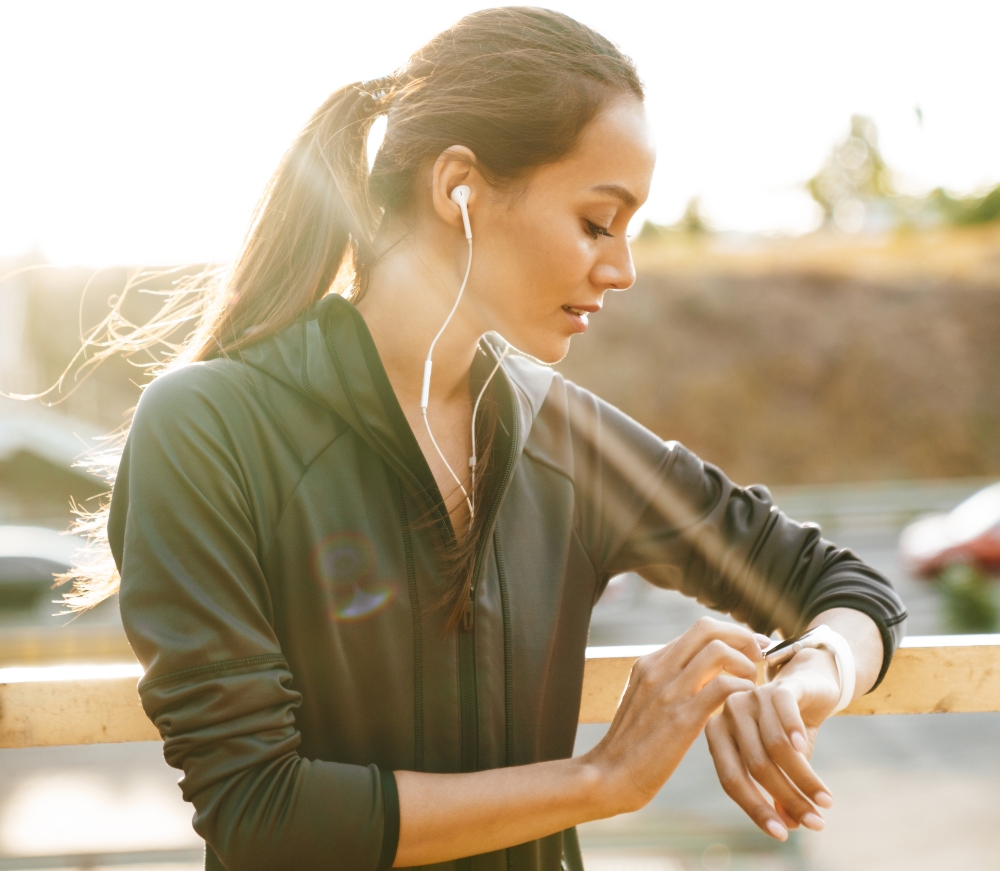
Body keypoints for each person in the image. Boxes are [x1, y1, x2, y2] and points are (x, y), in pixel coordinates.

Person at [69, 8, 906, 871]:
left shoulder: (567, 433)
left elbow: (844, 587)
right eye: (596, 220)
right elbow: (263, 812)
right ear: (459, 186)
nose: (620, 268)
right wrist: (603, 777)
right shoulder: (207, 428)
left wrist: (803, 682)